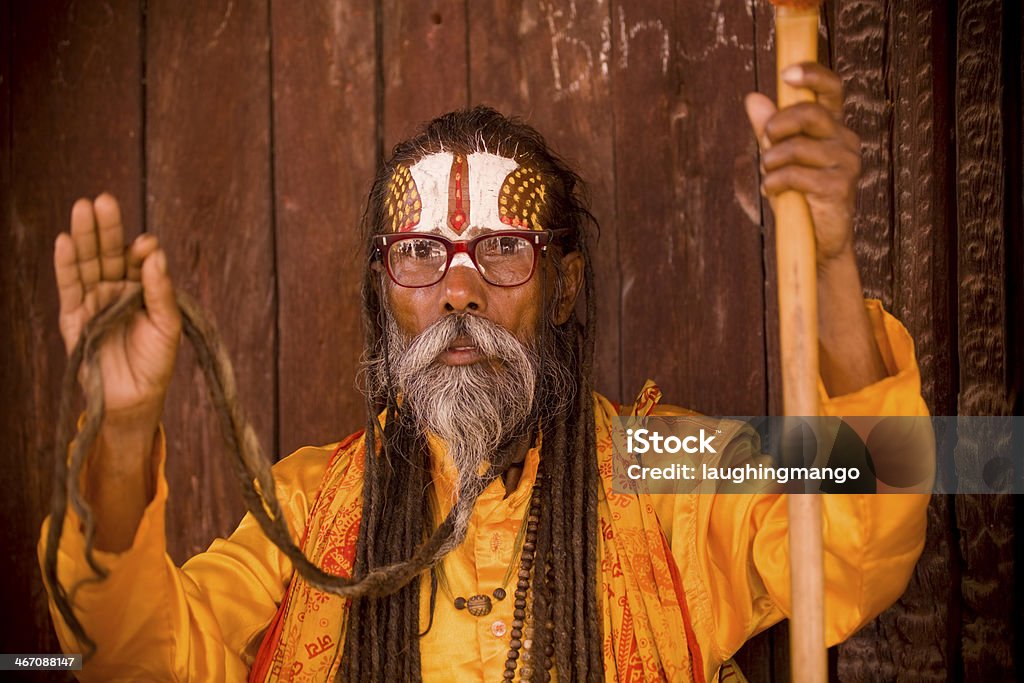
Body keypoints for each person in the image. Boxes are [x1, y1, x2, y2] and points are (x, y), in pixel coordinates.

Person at [40, 63, 930, 682]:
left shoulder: (665, 469)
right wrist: (120, 436)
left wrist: (834, 263)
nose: (459, 289)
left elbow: (868, 523)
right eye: (422, 251)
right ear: (381, 288)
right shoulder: (307, 511)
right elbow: (126, 654)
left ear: (565, 283)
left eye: (503, 248)